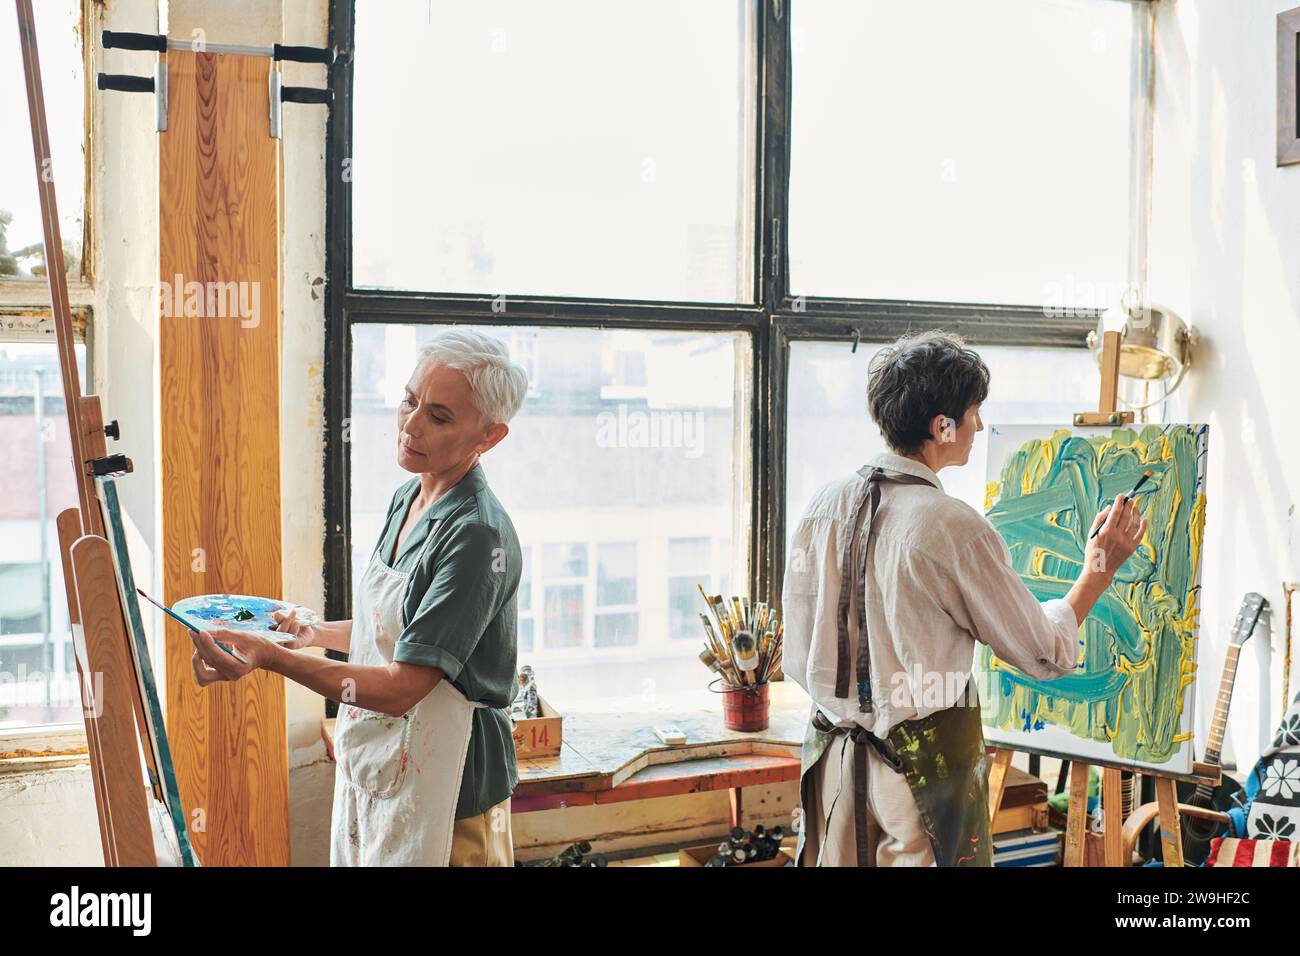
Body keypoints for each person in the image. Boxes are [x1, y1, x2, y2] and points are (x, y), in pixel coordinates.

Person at [781, 330, 1147, 867]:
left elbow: (799, 645)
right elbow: (1042, 650)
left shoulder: (824, 504)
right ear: (941, 426)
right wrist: (1100, 568)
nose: (978, 425)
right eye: (973, 411)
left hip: (831, 767)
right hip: (918, 779)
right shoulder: (951, 527)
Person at [189, 329, 529, 866]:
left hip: (454, 787)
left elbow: (401, 688)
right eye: (409, 401)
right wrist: (312, 634)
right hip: (380, 763)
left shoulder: (477, 535)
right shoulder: (409, 497)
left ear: (489, 436)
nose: (411, 425)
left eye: (439, 417)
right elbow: (396, 630)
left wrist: (273, 658)